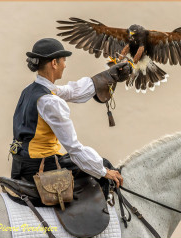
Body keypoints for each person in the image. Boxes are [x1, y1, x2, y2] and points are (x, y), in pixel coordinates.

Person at [10, 38, 130, 190]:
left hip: (21, 164)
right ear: (54, 63)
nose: (65, 65)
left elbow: (71, 91)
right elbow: (74, 148)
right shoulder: (50, 101)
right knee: (102, 170)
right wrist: (103, 172)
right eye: (64, 60)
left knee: (96, 164)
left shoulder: (31, 89)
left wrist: (107, 76)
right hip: (41, 166)